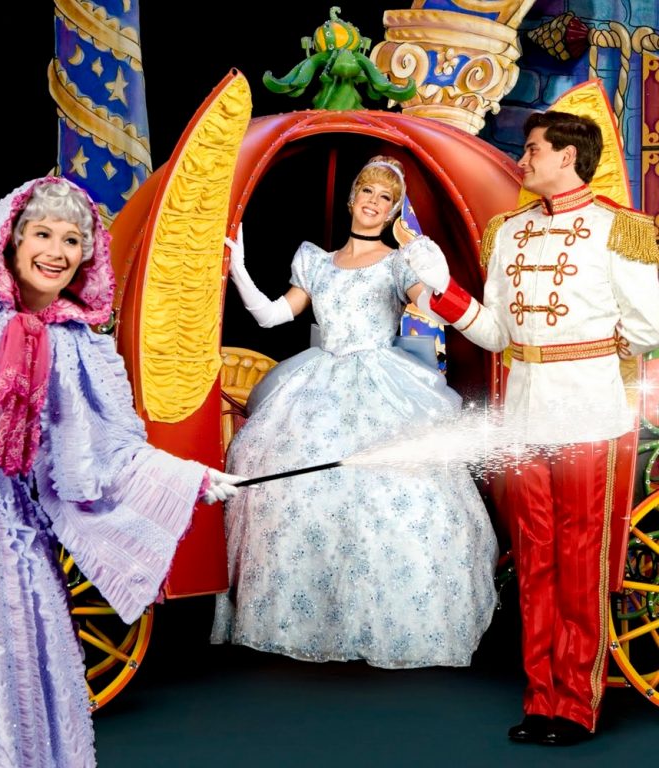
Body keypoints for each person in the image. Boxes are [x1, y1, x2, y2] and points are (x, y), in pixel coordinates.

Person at [0, 176, 243, 768]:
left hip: (2, 511)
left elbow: (108, 451)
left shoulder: (76, 344)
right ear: (12, 238)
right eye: (43, 234)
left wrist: (192, 480)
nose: (56, 252)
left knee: (12, 649)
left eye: (72, 240)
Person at [409, 111, 659, 745]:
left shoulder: (617, 228)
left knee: (579, 557)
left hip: (589, 413)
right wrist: (444, 292)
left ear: (567, 158)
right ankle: (540, 698)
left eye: (532, 150)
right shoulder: (510, 232)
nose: (523, 161)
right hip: (523, 415)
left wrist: (598, 352)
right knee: (535, 557)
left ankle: (575, 705)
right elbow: (497, 334)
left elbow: (651, 325)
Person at [210, 156, 500, 669]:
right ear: (352, 198)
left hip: (383, 385)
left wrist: (436, 278)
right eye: (368, 191)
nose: (374, 202)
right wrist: (239, 271)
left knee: (394, 494)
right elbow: (273, 316)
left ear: (393, 212)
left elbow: (432, 307)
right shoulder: (315, 261)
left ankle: (390, 620)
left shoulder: (398, 264)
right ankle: (302, 619)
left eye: (386, 198)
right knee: (276, 477)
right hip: (317, 383)